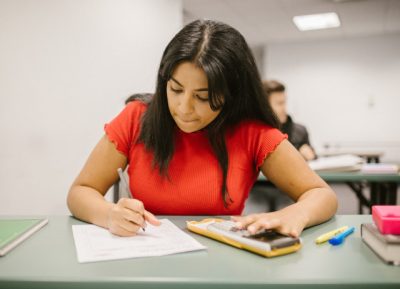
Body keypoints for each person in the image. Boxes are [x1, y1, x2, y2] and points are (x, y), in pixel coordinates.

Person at [67, 19, 337, 238]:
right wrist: (109, 214)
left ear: (231, 94)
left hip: (222, 265)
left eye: (203, 97)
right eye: (175, 89)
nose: (184, 107)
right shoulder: (137, 117)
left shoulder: (252, 132)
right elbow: (81, 191)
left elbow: (322, 195)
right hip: (146, 258)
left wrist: (295, 213)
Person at [263, 80, 317, 161]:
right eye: (279, 103)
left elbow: (313, 160)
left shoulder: (301, 131)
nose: (284, 108)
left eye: (284, 102)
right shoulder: (260, 135)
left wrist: (311, 155)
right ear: (266, 106)